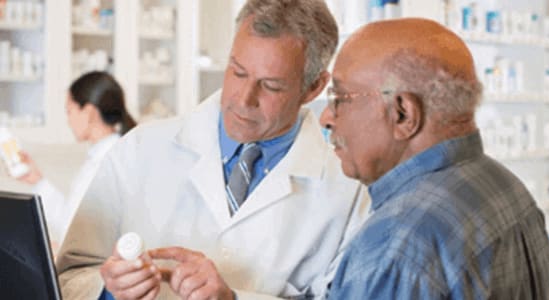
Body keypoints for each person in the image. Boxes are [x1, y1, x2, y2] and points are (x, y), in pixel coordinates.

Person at [57, 1, 369, 299]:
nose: (243, 99)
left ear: (314, 86)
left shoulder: (348, 192)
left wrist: (234, 299)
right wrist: (110, 290)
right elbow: (67, 278)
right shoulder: (139, 150)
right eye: (237, 71)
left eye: (271, 86)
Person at [320, 18, 549, 299]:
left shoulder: (397, 244)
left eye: (341, 97)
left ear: (403, 114)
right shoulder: (506, 185)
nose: (327, 118)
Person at [17, 71, 136, 251]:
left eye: (69, 111)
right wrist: (37, 180)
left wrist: (63, 250)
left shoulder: (112, 162)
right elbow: (72, 220)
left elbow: (102, 238)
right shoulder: (98, 157)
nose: (68, 120)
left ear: (88, 112)